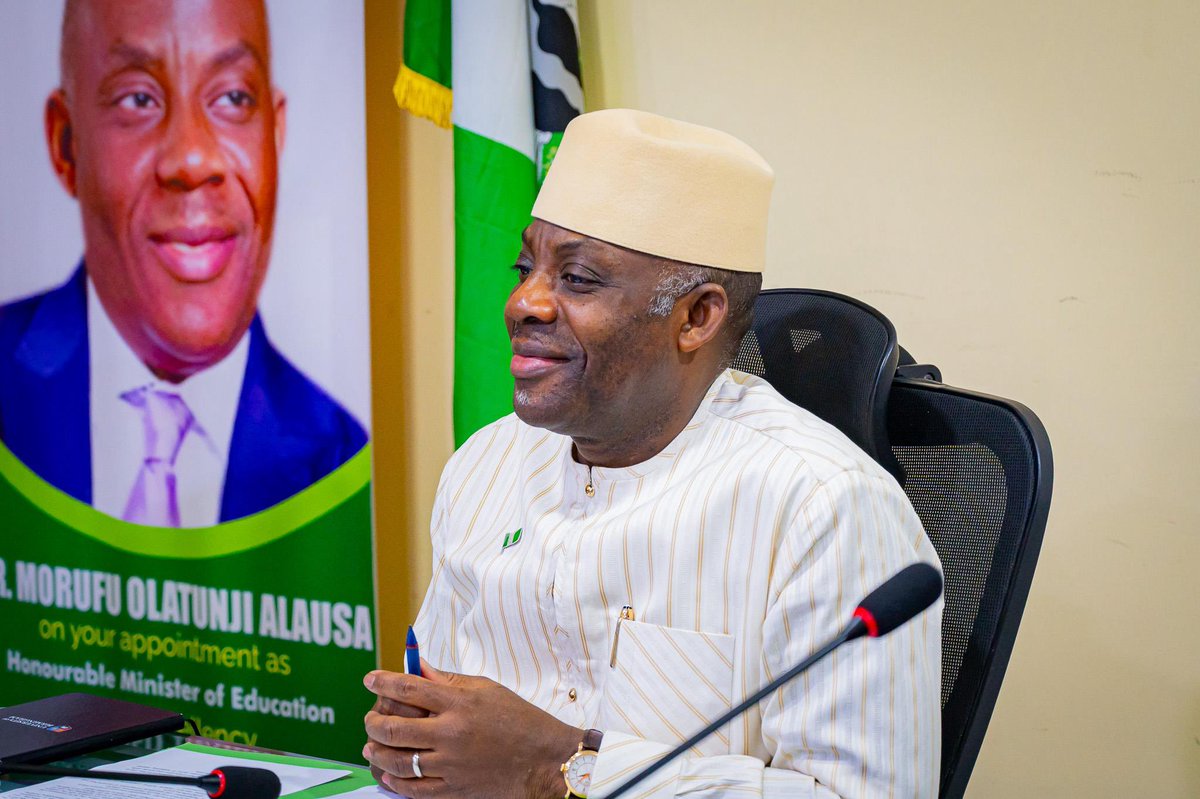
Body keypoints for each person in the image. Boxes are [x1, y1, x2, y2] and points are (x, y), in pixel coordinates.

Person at [362, 109, 943, 798]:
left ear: (696, 316)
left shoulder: (825, 507)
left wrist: (559, 766)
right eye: (527, 268)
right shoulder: (484, 463)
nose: (523, 302)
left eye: (577, 279)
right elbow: (440, 722)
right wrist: (415, 745)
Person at [0, 0, 366, 527]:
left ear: (275, 135)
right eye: (138, 99)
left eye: (234, 97)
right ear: (66, 145)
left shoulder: (342, 458)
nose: (193, 160)